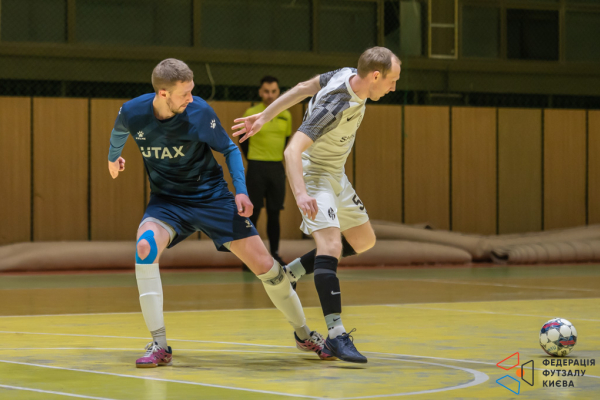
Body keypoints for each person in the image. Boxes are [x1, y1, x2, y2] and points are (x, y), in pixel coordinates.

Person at [107, 58, 329, 368]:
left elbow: (229, 149)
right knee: (144, 247)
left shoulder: (199, 112)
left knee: (267, 267)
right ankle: (159, 344)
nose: (191, 98)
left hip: (211, 197)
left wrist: (241, 190)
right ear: (162, 94)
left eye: (192, 90)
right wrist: (113, 157)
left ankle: (304, 334)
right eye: (184, 93)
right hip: (167, 202)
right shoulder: (133, 111)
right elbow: (119, 131)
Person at [233, 47, 401, 364]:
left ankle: (290, 273)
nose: (394, 87)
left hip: (335, 173)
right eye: (392, 81)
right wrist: (301, 194)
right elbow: (291, 151)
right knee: (331, 245)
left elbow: (303, 88)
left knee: (363, 240)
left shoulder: (346, 74)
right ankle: (336, 334)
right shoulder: (336, 105)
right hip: (313, 175)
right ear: (376, 76)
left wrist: (265, 116)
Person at [240, 76, 292, 267]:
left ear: (278, 92)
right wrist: (254, 159)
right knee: (252, 213)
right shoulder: (251, 113)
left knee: (274, 213)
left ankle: (275, 254)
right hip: (256, 168)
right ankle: (249, 258)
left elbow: (286, 141)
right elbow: (242, 141)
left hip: (276, 168)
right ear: (260, 92)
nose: (270, 95)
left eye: (273, 91)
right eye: (266, 91)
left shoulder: (286, 115)